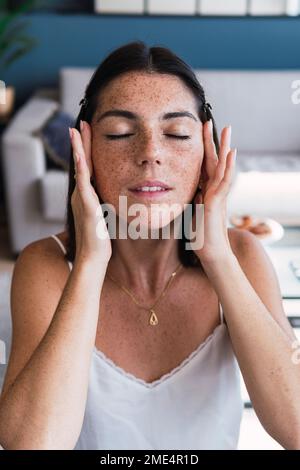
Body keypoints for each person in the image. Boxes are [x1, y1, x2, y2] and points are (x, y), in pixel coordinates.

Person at [0, 41, 299, 450]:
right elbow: (32, 444)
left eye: (176, 133)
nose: (151, 154)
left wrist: (217, 257)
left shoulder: (242, 256)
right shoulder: (47, 264)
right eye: (120, 133)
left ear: (205, 152)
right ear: (84, 148)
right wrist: (90, 261)